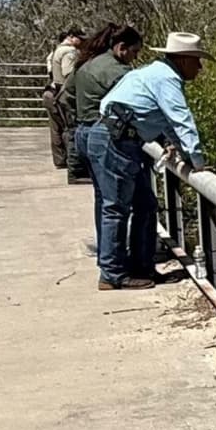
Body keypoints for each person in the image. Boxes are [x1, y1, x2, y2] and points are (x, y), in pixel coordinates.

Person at [92, 31, 211, 291]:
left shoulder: (154, 74)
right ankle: (112, 276)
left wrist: (180, 152)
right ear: (182, 59)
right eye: (197, 60)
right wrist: (198, 163)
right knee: (116, 209)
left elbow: (167, 124)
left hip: (121, 139)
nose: (200, 67)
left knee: (145, 206)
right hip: (116, 140)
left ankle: (141, 267)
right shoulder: (166, 78)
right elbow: (182, 121)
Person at [70, 24, 143, 257]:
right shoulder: (116, 71)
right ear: (121, 48)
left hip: (83, 132)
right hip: (105, 134)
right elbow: (137, 103)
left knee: (103, 200)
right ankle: (115, 265)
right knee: (116, 206)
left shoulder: (86, 64)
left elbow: (66, 97)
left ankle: (107, 254)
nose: (135, 58)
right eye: (135, 52)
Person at [43, 28, 84, 170]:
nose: (82, 41)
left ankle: (59, 160)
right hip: (62, 93)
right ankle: (73, 161)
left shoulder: (55, 51)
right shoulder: (69, 52)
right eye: (80, 38)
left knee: (55, 129)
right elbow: (68, 74)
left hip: (51, 91)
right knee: (69, 127)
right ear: (72, 37)